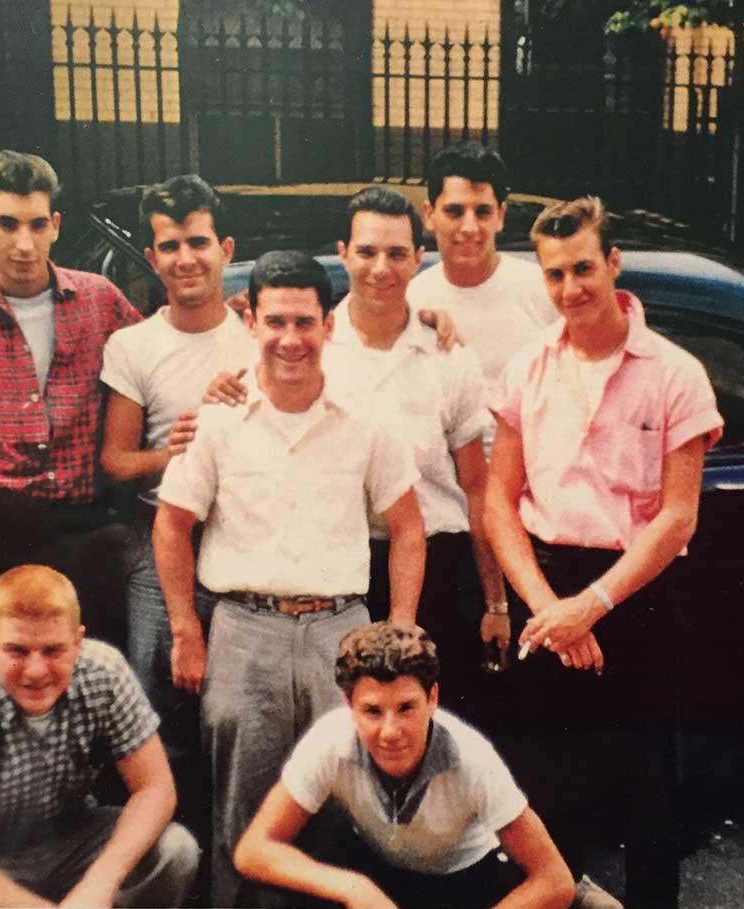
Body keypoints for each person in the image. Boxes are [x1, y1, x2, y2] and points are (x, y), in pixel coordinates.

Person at [152, 250, 426, 907]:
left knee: (351, 806)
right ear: (251, 320)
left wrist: (400, 633)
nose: (290, 338)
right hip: (246, 629)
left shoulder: (368, 419)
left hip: (344, 633)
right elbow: (171, 526)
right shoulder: (217, 420)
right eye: (275, 320)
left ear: (328, 325)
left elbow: (408, 528)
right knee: (244, 812)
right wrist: (188, 629)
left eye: (305, 321)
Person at [485, 196, 725, 909]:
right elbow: (500, 500)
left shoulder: (677, 373)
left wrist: (593, 605)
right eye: (554, 274)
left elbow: (678, 517)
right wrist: (550, 609)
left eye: (583, 268)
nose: (570, 289)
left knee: (650, 795)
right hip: (545, 588)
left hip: (638, 593)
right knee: (546, 790)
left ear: (613, 263)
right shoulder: (527, 366)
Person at [0, 150, 140, 651]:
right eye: (8, 224)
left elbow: (158, 361)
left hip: (84, 531)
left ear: (56, 226)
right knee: (3, 684)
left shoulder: (101, 301)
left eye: (37, 225)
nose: (24, 244)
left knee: (88, 682)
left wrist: (228, 316)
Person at [0, 564, 199, 907]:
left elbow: (156, 788)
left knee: (175, 850)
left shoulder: (105, 673)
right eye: (17, 651)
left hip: (67, 841)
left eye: (53, 651)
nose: (36, 671)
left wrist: (99, 884)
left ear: (78, 642)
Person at [233, 621, 577, 909]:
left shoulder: (471, 756)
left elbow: (555, 880)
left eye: (406, 708)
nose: (390, 732)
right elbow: (253, 849)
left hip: (462, 880)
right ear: (348, 705)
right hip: (377, 872)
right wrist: (352, 888)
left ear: (433, 699)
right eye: (372, 711)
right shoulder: (331, 738)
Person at [98, 174, 251, 822]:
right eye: (169, 245)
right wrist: (178, 447)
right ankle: (169, 862)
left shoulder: (259, 330)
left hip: (247, 544)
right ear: (154, 256)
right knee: (157, 725)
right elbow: (115, 461)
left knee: (246, 725)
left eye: (198, 241)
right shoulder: (134, 343)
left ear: (225, 248)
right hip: (160, 548)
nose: (185, 257)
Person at [329, 185, 507, 715]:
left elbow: (477, 485)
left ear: (418, 258)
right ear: (343, 253)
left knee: (437, 726)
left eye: (397, 253)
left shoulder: (449, 355)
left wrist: (495, 600)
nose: (381, 268)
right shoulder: (312, 348)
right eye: (366, 252)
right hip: (344, 570)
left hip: (438, 569)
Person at [406, 140, 557, 447]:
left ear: (500, 216)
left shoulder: (543, 291)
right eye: (454, 211)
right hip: (444, 484)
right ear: (429, 214)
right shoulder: (410, 299)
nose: (469, 227)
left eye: (482, 212)